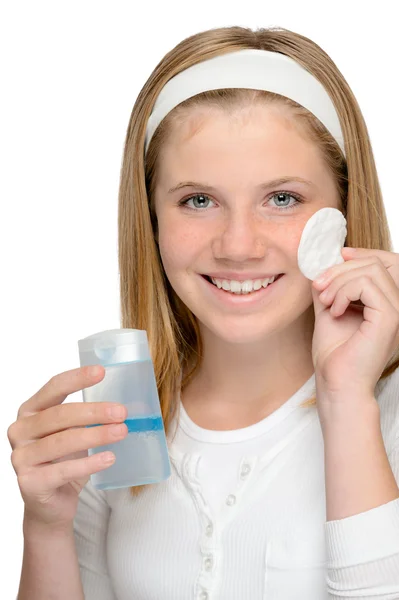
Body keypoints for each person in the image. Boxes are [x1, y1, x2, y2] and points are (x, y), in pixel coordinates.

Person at [8, 25, 399, 600]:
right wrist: (45, 528)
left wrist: (345, 404)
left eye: (282, 198)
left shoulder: (386, 419)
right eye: (198, 200)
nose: (238, 245)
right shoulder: (121, 428)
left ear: (344, 206)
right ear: (152, 221)